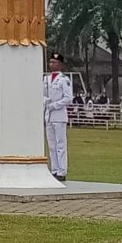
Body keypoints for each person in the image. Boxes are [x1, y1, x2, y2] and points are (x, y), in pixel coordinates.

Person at [43, 52, 73, 181]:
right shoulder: (46, 79)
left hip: (59, 115)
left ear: (59, 64)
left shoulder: (64, 80)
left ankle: (62, 170)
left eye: (54, 62)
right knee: (51, 144)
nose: (51, 64)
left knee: (61, 144)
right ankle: (54, 169)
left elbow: (68, 98)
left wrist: (54, 105)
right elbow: (43, 94)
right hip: (49, 115)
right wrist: (45, 102)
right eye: (50, 62)